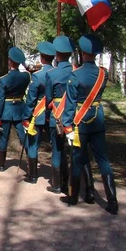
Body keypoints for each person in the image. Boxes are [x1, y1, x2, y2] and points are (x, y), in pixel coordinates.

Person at [62, 34, 118, 214]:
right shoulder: (104, 73)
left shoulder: (75, 75)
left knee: (78, 158)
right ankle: (112, 201)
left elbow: (70, 103)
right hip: (97, 119)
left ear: (83, 52)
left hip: (80, 121)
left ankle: (73, 197)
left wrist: (67, 125)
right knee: (103, 160)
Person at [0, 47, 31, 172]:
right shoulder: (26, 77)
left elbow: (0, 101)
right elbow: (31, 72)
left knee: (4, 137)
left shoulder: (4, 79)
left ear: (9, 61)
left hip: (7, 111)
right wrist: (25, 64)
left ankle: (1, 165)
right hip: (20, 109)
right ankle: (32, 165)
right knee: (24, 138)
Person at [22, 41, 56, 183]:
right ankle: (57, 179)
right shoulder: (57, 73)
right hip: (53, 114)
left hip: (38, 115)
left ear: (42, 57)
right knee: (56, 146)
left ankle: (33, 175)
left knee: (33, 145)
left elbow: (31, 99)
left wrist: (26, 116)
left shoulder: (37, 76)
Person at [45, 35, 74, 194]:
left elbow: (48, 98)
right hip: (74, 115)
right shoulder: (76, 70)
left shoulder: (52, 73)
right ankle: (73, 183)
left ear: (57, 54)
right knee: (75, 151)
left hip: (56, 116)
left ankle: (57, 184)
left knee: (57, 149)